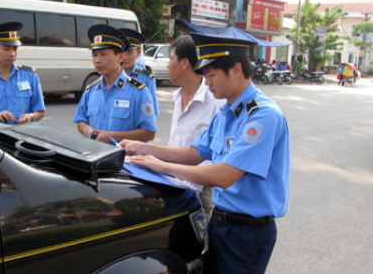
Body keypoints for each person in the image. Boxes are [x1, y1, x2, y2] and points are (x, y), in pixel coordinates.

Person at [120, 33, 290, 274]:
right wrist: (145, 148)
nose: (207, 82)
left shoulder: (261, 116)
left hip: (246, 232)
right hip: (221, 224)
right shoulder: (227, 112)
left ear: (236, 70)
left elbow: (224, 175)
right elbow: (195, 152)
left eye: (211, 75)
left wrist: (162, 166)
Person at [166, 35, 225, 252]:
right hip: (173, 183)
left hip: (200, 190)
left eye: (170, 58)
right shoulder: (177, 96)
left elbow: (213, 154)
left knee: (202, 248)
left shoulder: (215, 101)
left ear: (185, 63)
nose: (166, 64)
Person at [73, 24, 157, 144]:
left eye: (103, 54)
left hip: (124, 160)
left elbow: (149, 132)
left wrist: (113, 136)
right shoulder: (91, 90)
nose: (97, 60)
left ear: (120, 57)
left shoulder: (138, 92)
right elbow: (80, 120)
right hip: (94, 157)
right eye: (95, 54)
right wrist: (86, 129)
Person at [119, 28, 159, 115]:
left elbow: (151, 114)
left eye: (129, 52)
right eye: (122, 52)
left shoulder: (147, 79)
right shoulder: (110, 76)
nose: (125, 57)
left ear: (138, 53)